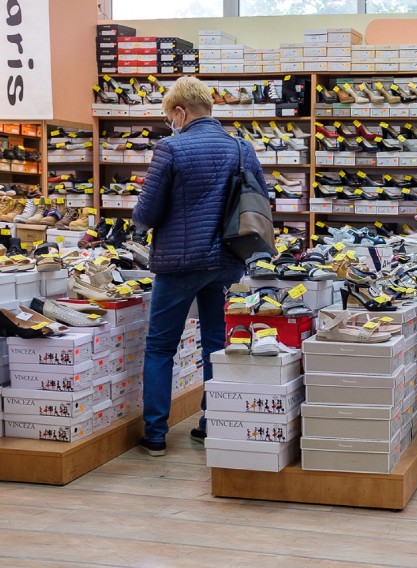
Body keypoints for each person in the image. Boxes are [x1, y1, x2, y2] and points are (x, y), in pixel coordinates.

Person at [133, 76, 264, 456]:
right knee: (216, 345)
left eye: (168, 116)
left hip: (179, 263)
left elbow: (147, 212)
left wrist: (141, 217)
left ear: (179, 111)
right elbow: (260, 199)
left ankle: (155, 434)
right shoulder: (241, 148)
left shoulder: (170, 149)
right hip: (227, 260)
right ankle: (211, 422)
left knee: (160, 347)